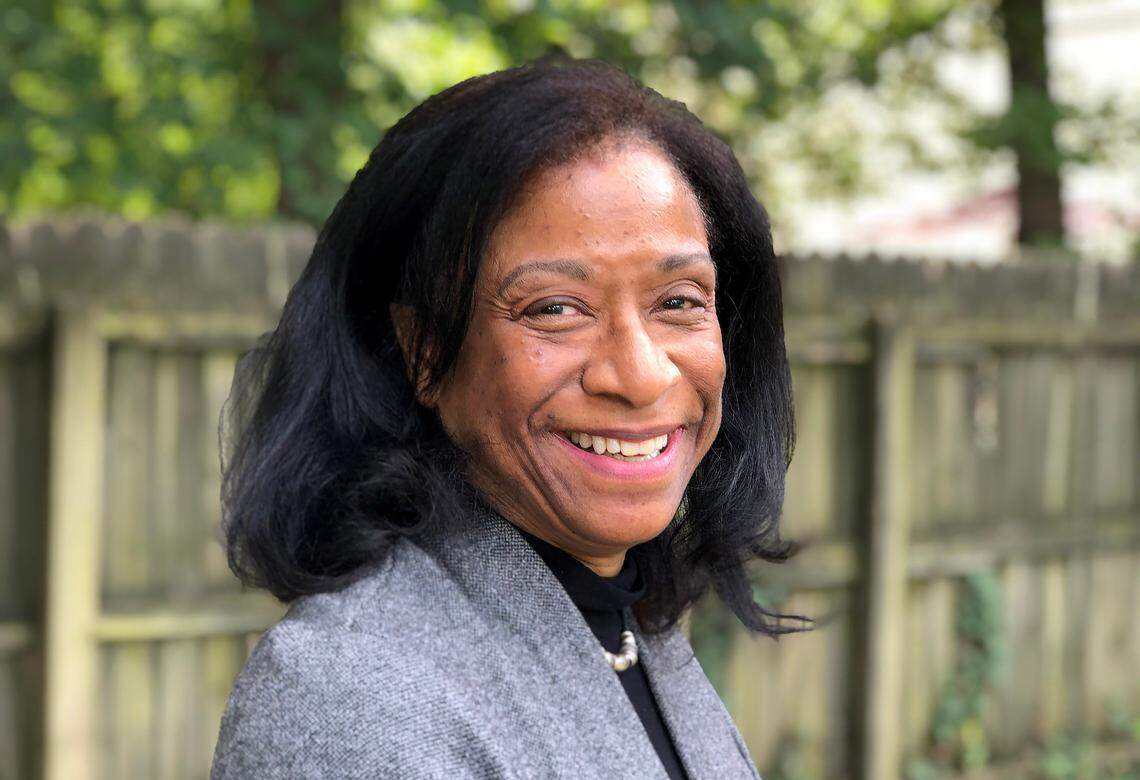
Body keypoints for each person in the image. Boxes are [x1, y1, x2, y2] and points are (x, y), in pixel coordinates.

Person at [210, 54, 811, 779]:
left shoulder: (633, 631)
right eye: (555, 309)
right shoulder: (354, 694)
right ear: (425, 351)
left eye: (679, 301)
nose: (641, 373)